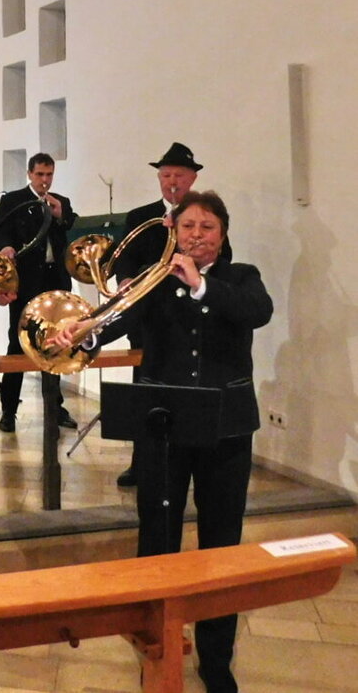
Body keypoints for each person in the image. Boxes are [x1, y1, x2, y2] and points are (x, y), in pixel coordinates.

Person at [51, 191, 272, 693]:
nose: (197, 235)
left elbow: (256, 312)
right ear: (175, 230)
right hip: (162, 428)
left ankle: (217, 659)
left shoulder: (242, 279)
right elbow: (114, 323)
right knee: (156, 538)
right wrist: (81, 334)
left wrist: (200, 287)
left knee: (222, 546)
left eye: (207, 227)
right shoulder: (152, 281)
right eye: (188, 226)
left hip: (225, 432)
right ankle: (156, 641)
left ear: (223, 234)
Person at [113, 142, 230, 487]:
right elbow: (124, 256)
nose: (172, 181)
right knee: (147, 385)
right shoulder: (140, 216)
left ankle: (196, 455)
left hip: (196, 315)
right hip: (151, 314)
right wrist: (125, 281)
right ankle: (143, 460)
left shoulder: (209, 217)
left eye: (179, 175)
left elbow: (224, 262)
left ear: (192, 178)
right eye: (166, 175)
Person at [0, 153, 78, 434]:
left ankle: (55, 407)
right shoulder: (14, 200)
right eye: (40, 174)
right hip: (27, 282)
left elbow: (67, 228)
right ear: (30, 174)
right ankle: (8, 409)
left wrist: (59, 215)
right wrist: (6, 248)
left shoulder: (59, 201)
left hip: (54, 281)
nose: (44, 180)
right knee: (17, 344)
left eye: (49, 175)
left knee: (55, 344)